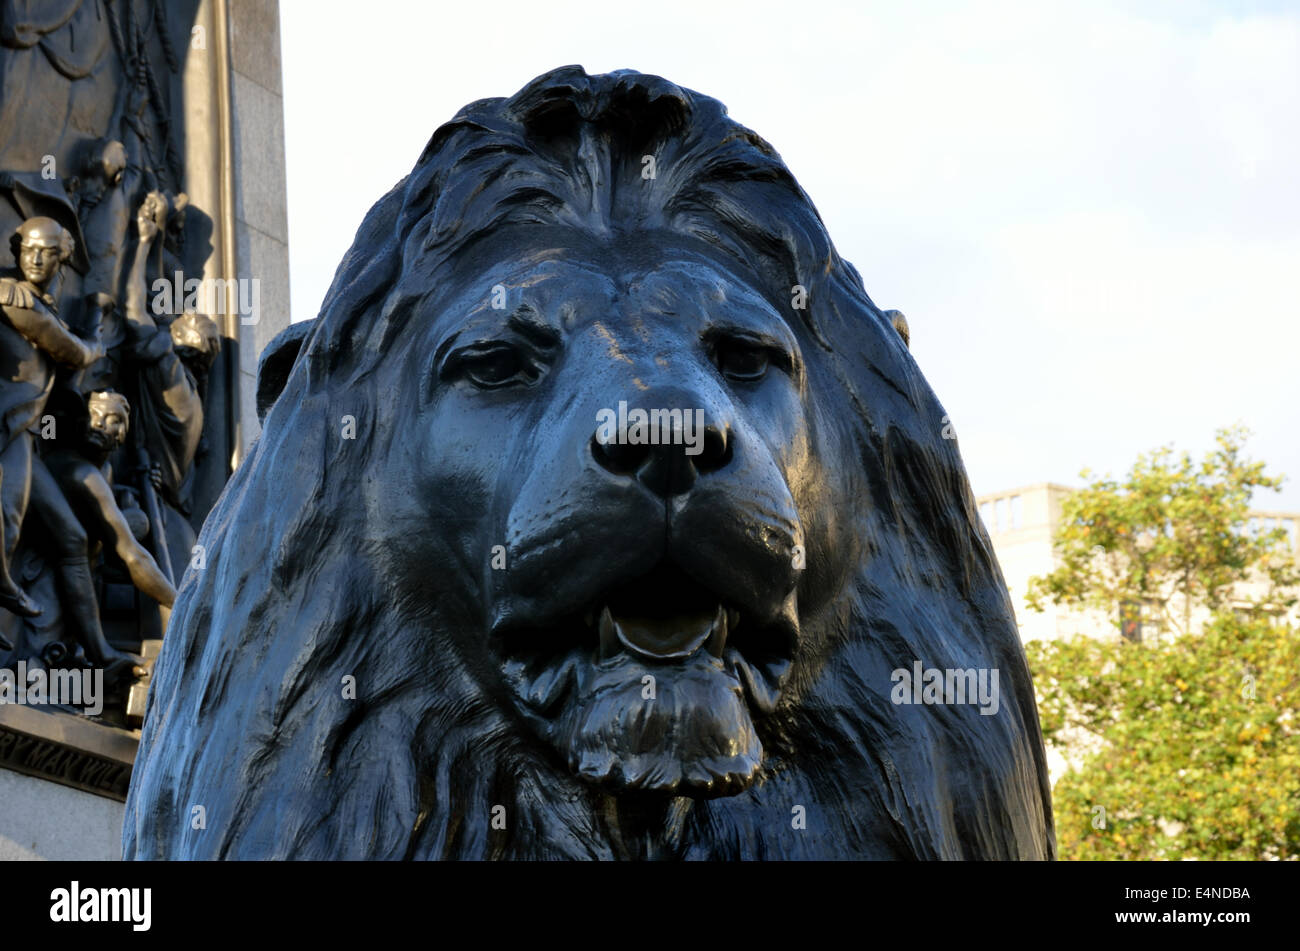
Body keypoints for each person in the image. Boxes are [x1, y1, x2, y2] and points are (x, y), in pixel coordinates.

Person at [0, 216, 104, 617]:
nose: (37, 260)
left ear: (61, 258)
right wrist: (95, 345)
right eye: (29, 250)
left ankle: (100, 654)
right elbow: (71, 351)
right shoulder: (14, 298)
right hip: (8, 420)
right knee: (7, 507)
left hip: (25, 429)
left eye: (48, 253)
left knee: (57, 530)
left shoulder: (38, 297)